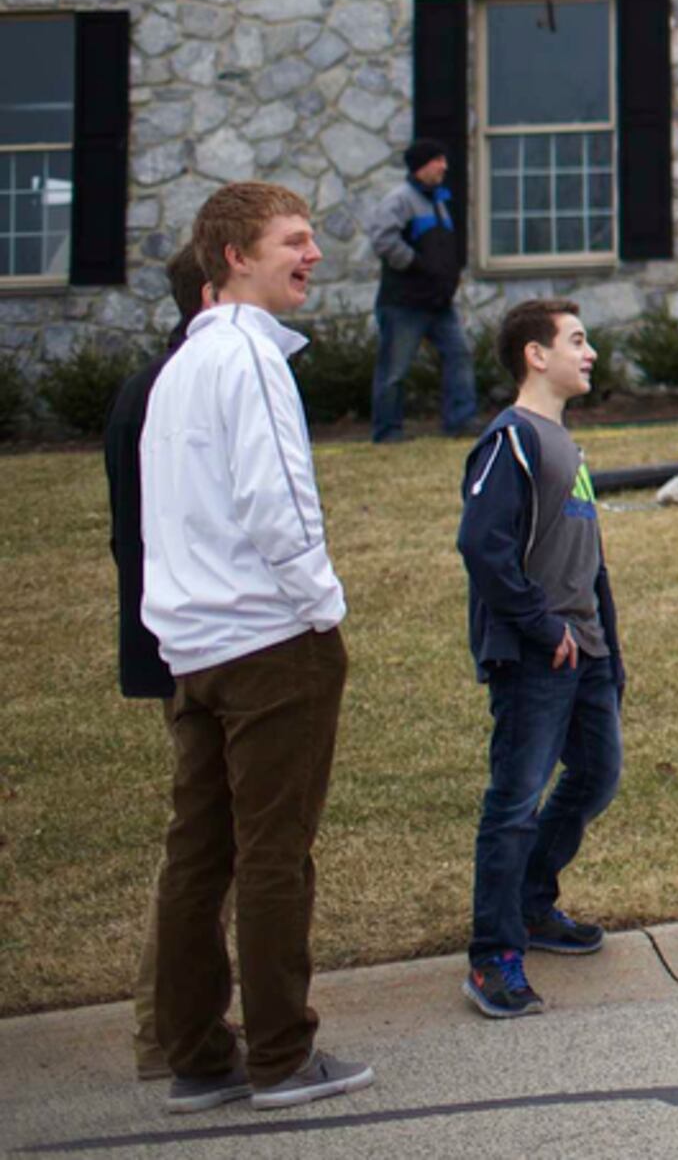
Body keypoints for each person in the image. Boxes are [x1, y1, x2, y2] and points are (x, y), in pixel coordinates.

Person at [139, 182, 371, 1114]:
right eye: (294, 240)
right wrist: (323, 607)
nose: (311, 255)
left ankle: (196, 1054)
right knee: (277, 852)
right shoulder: (250, 361)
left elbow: (168, 516)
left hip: (192, 647)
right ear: (234, 255)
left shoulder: (178, 370)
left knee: (198, 855)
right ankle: (281, 1053)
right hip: (271, 640)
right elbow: (279, 503)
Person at [457, 299, 624, 1021]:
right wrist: (537, 624)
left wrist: (608, 646)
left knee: (595, 773)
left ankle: (530, 902)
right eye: (577, 340)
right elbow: (482, 545)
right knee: (515, 801)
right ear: (535, 353)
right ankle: (493, 956)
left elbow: (591, 560)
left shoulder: (563, 442)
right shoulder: (511, 440)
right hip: (537, 655)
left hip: (583, 648)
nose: (590, 353)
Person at [105, 240, 216, 1083]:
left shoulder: (162, 381)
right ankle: (168, 1032)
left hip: (186, 643)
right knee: (203, 847)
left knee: (208, 845)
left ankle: (176, 1025)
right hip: (193, 647)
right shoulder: (174, 390)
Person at [366, 140, 474, 444]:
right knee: (394, 370)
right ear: (421, 166)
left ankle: (461, 421)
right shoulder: (399, 200)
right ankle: (387, 431)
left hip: (439, 302)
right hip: (404, 303)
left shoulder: (438, 202)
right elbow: (383, 240)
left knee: (460, 355)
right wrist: (416, 264)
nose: (444, 167)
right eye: (437, 161)